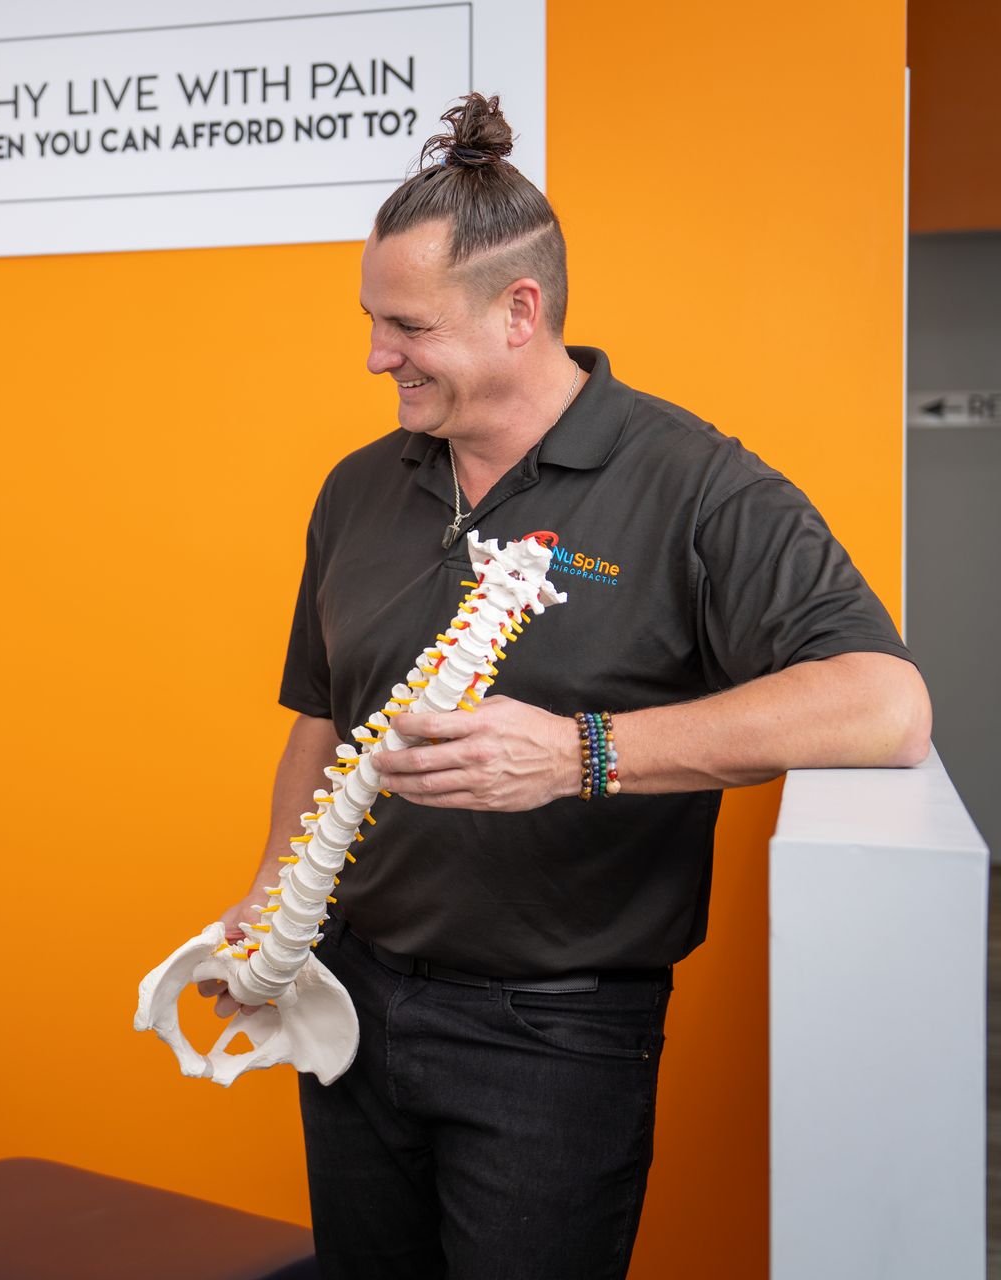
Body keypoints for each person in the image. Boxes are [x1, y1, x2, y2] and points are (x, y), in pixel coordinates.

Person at [202, 95, 932, 1279]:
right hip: (352, 998)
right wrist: (272, 896)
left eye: (407, 326)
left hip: (553, 1037)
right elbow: (323, 721)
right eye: (371, 321)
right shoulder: (357, 487)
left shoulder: (695, 483)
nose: (376, 355)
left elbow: (883, 703)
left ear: (518, 314)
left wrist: (579, 753)